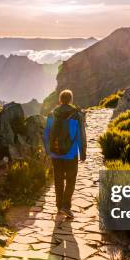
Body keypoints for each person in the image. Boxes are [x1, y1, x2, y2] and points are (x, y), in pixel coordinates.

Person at [43, 89, 87, 219]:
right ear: (71, 100)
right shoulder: (76, 115)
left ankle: (59, 207)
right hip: (71, 153)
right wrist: (82, 151)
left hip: (56, 153)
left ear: (60, 100)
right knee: (71, 179)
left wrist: (48, 150)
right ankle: (66, 206)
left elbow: (47, 134)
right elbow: (81, 134)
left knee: (58, 179)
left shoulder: (52, 114)